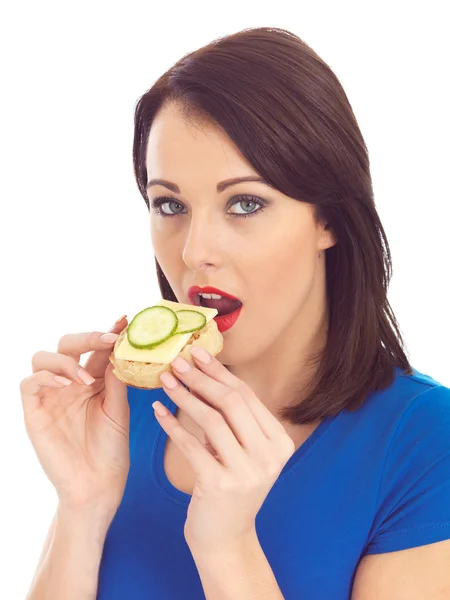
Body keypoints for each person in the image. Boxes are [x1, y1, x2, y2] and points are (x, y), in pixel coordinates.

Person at [21, 27, 450, 600]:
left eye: (244, 203)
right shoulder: (124, 412)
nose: (195, 250)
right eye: (170, 204)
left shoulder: (425, 443)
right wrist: (82, 506)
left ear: (328, 219)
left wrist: (227, 549)